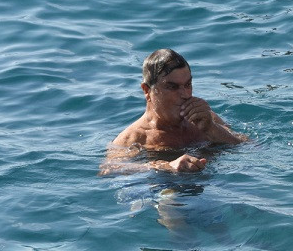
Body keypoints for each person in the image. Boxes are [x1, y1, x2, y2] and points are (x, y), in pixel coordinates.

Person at [100, 49, 246, 175]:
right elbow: (108, 170)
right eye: (172, 87)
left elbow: (248, 147)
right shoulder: (134, 138)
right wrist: (165, 166)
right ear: (147, 91)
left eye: (188, 84)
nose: (185, 94)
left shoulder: (205, 118)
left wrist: (212, 129)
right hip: (161, 186)